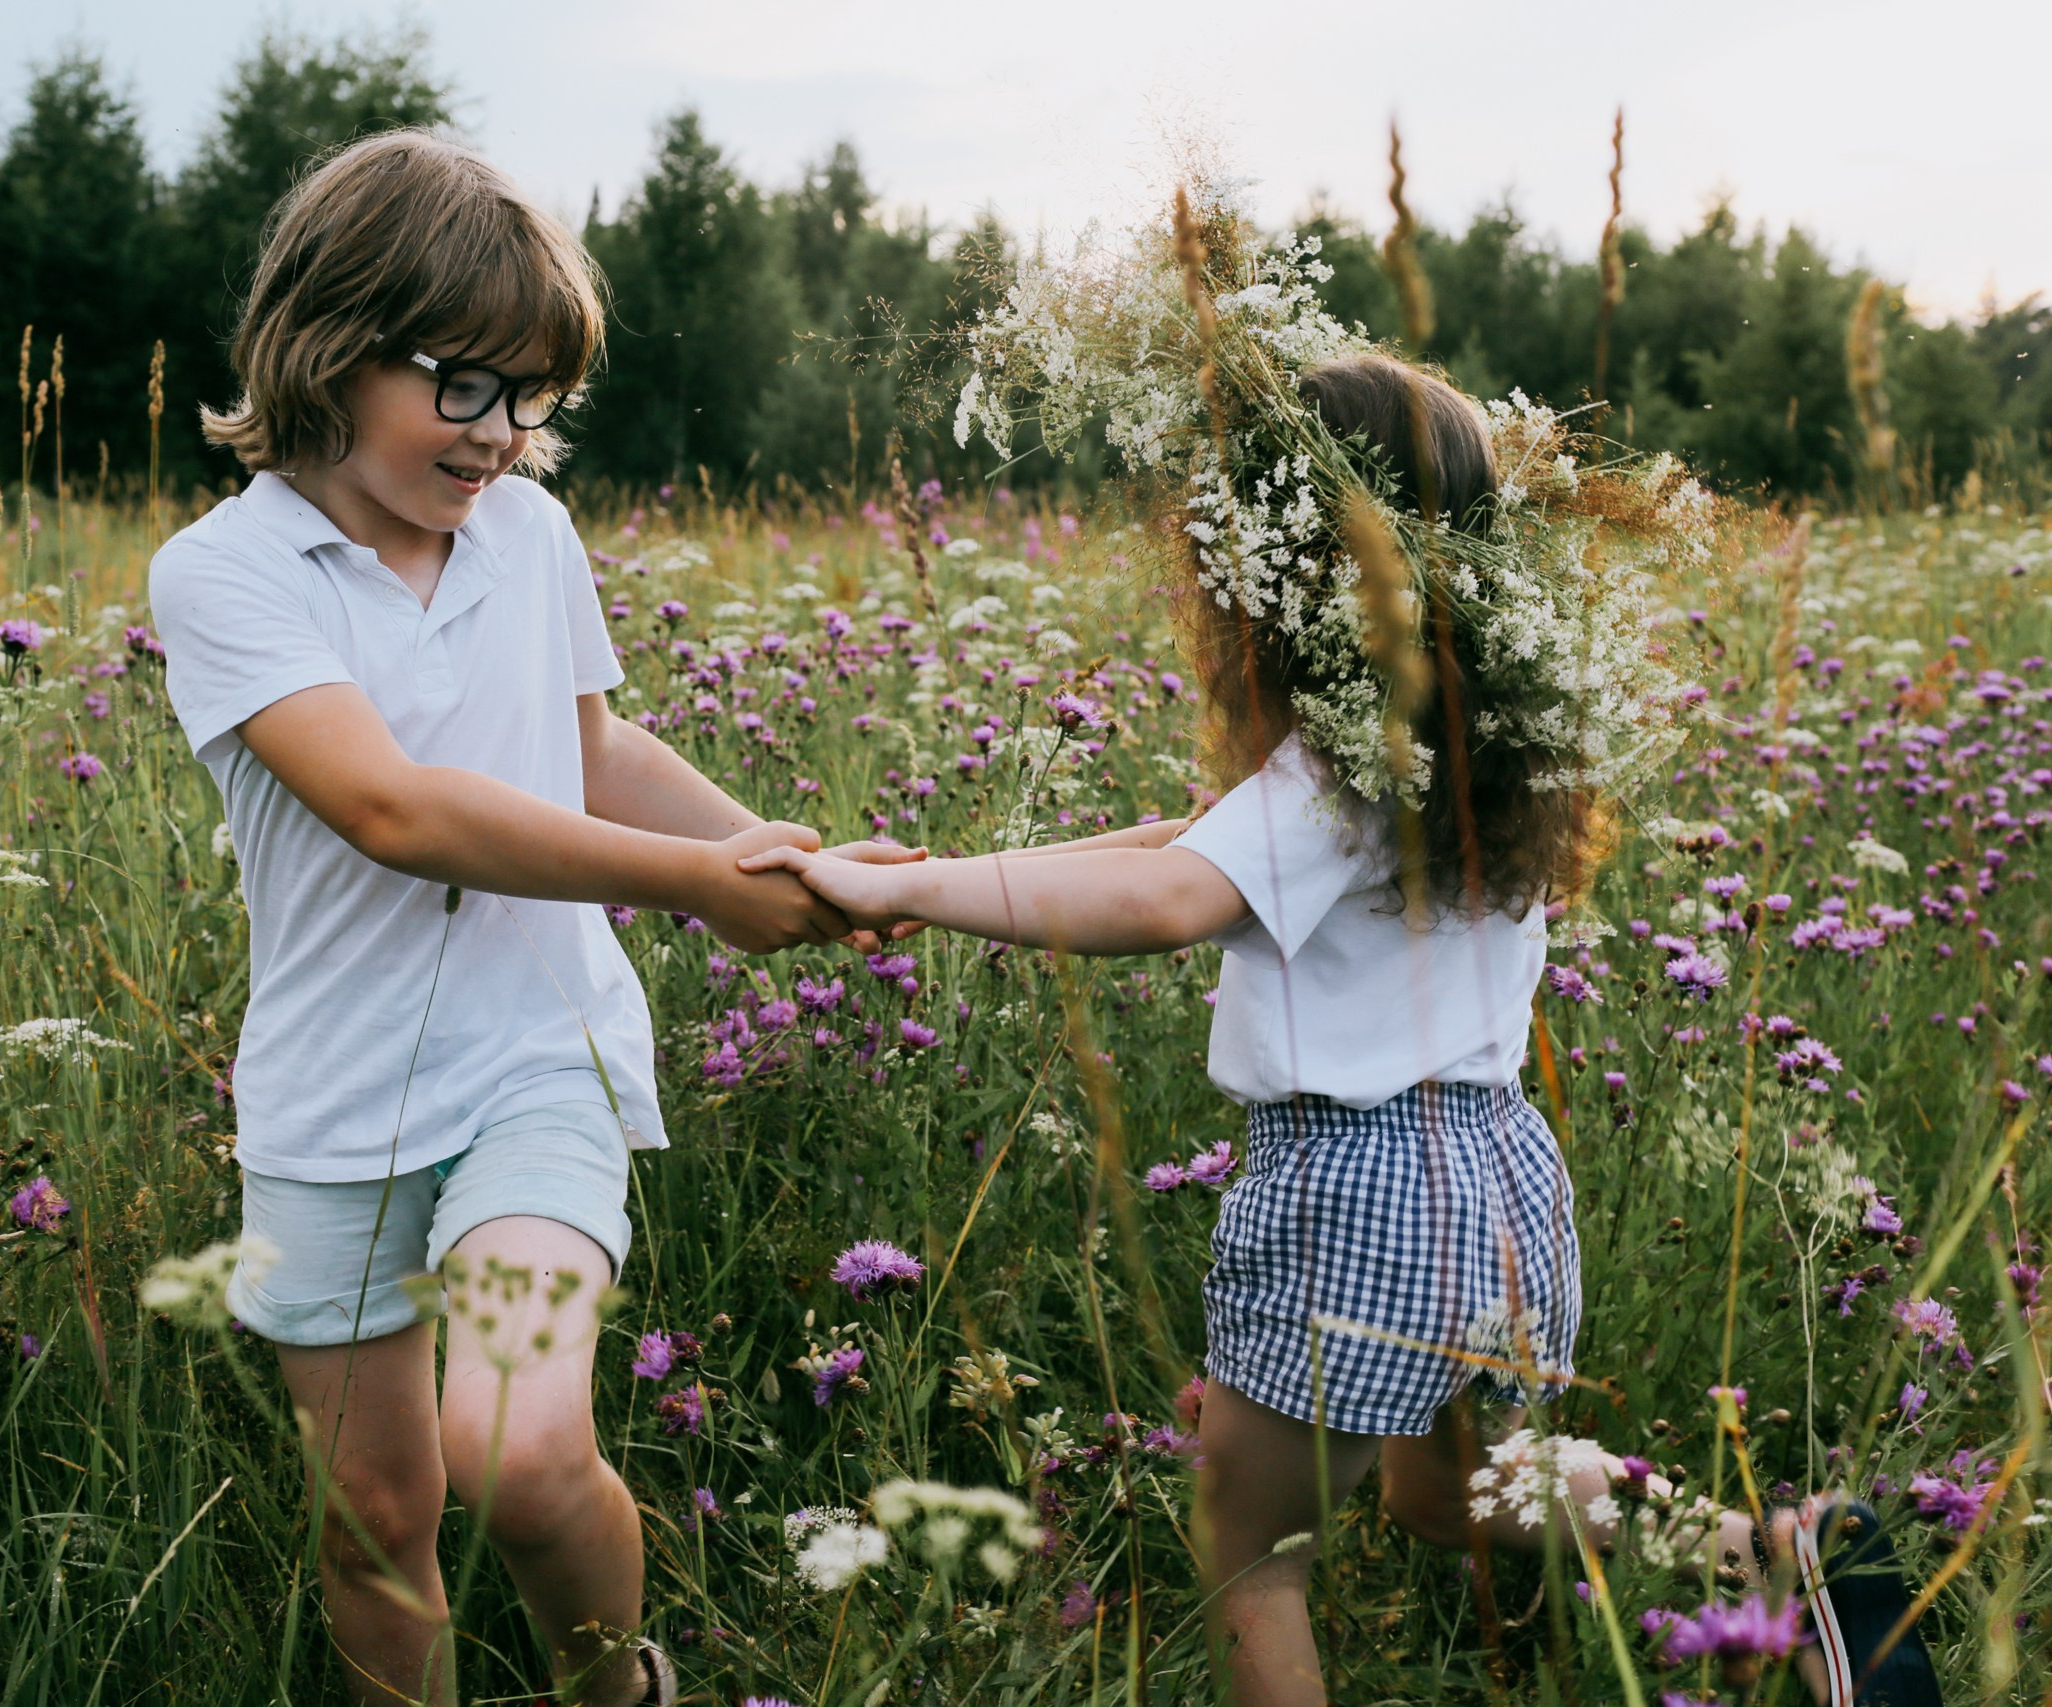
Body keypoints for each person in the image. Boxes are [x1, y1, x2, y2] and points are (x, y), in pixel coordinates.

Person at [744, 354, 1939, 1705]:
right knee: (1459, 1497)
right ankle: (1775, 1554)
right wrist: (945, 868)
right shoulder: (1479, 752)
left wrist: (910, 889)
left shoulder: (1331, 767)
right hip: (1499, 1183)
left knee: (1245, 1556)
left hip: (1354, 1194)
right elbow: (1184, 846)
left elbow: (1168, 893)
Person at [148, 130, 913, 1707]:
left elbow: (591, 751)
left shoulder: (529, 535)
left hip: (535, 1064)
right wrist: (691, 890)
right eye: (464, 386)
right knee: (377, 1514)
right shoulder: (226, 573)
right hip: (330, 1097)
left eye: (534, 398)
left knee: (522, 1452)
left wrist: (767, 853)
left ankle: (615, 1691)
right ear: (330, 343)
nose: (501, 437)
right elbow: (394, 808)